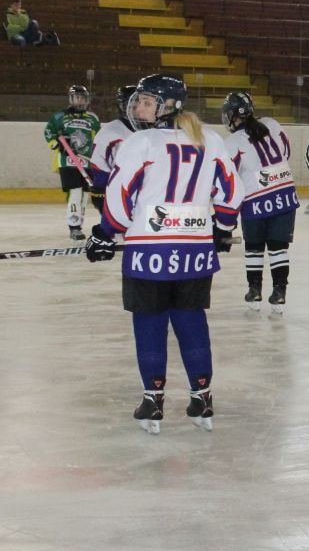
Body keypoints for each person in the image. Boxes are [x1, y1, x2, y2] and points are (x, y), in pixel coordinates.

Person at [84, 74, 243, 435]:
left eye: (146, 101)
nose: (138, 107)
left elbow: (119, 197)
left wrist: (105, 234)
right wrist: (222, 227)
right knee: (191, 320)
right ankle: (202, 398)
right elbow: (232, 191)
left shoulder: (139, 143)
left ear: (168, 105)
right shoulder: (210, 140)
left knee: (150, 323)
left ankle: (153, 401)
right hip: (195, 251)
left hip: (148, 251)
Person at [222, 91, 299, 313]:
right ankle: (279, 292)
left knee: (254, 248)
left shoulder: (233, 142)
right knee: (278, 248)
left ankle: (254, 291)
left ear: (232, 115)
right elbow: (286, 152)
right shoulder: (271, 124)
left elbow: (229, 178)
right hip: (285, 194)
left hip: (255, 198)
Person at [44, 85, 100, 240]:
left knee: (84, 195)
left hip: (86, 161)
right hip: (67, 160)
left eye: (83, 98)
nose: (80, 100)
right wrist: (57, 143)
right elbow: (48, 132)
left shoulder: (93, 118)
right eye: (77, 97)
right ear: (71, 98)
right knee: (75, 192)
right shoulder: (60, 116)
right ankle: (74, 226)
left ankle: (78, 224)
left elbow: (97, 138)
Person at [88, 84, 136, 214]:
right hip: (119, 196)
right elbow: (99, 164)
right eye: (129, 105)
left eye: (138, 104)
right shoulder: (109, 132)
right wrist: (100, 190)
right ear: (121, 106)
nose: (135, 109)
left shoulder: (154, 131)